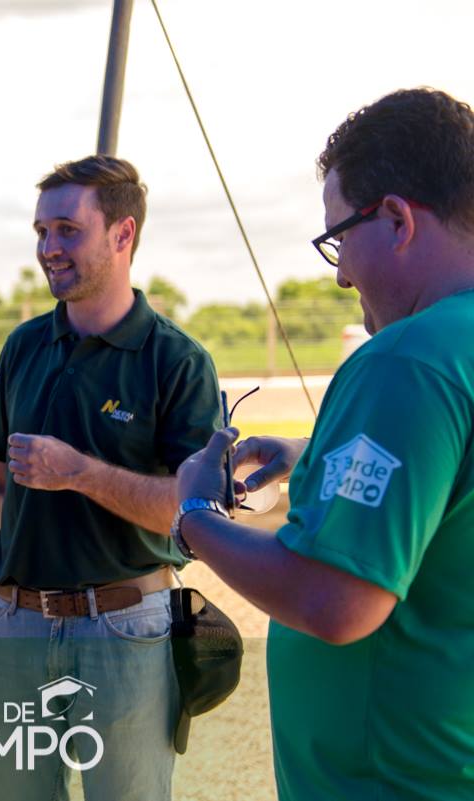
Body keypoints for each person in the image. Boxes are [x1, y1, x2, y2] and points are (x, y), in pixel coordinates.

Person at [175, 88, 474, 800]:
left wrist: (195, 515)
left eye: (338, 238)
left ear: (397, 218)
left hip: (394, 779)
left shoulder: (408, 357)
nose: (340, 274)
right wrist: (319, 457)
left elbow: (338, 601)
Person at [0, 156, 220, 801]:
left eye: (68, 230)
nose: (48, 248)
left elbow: (191, 514)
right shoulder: (22, 347)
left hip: (126, 631)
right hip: (14, 625)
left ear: (123, 234)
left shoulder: (176, 362)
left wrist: (80, 474)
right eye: (42, 231)